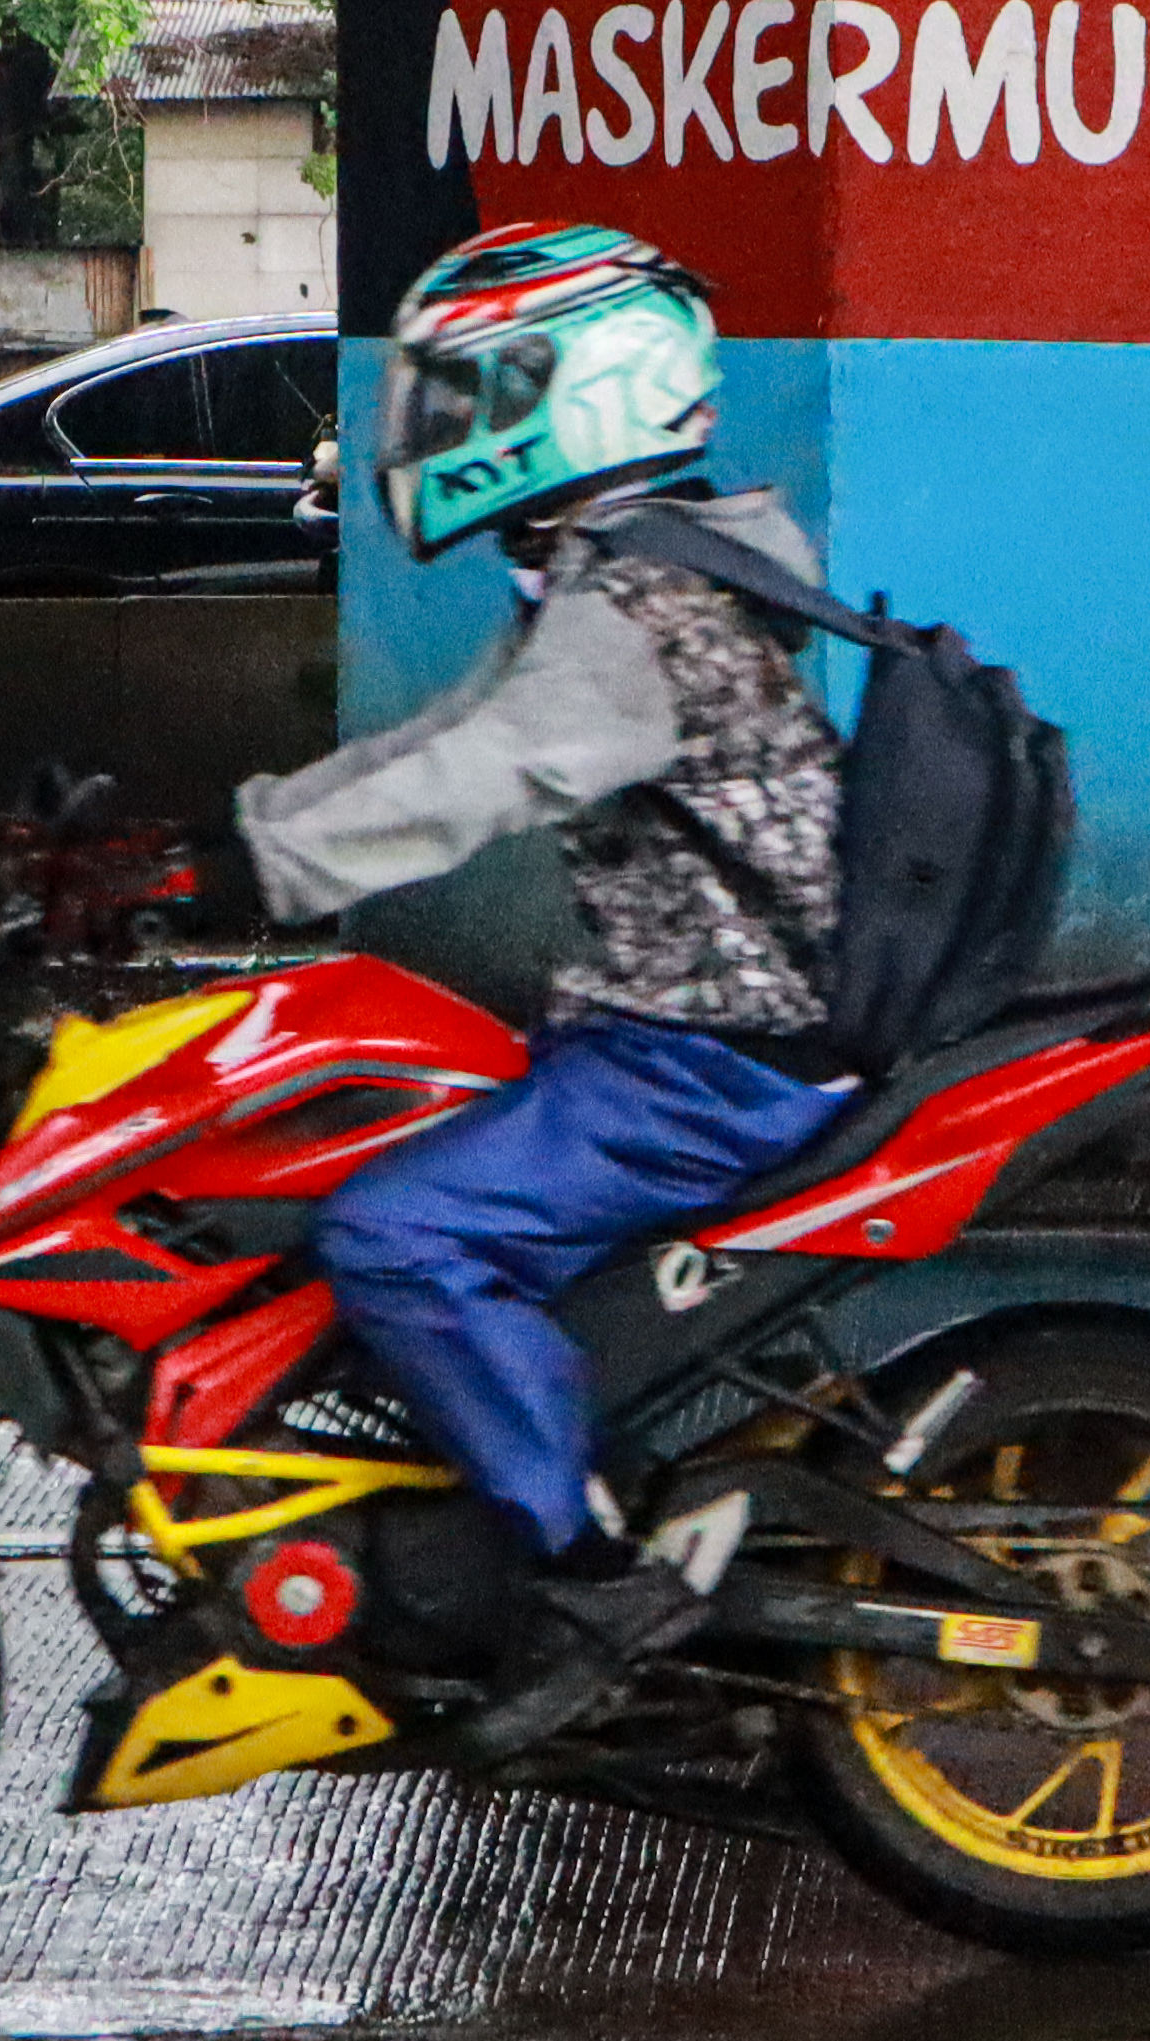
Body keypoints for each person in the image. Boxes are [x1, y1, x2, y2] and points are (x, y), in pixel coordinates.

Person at [228, 220, 849, 1764]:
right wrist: (243, 829)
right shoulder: (627, 578)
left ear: (578, 392)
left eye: (470, 396)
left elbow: (479, 775)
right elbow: (438, 737)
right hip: (686, 1023)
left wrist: (246, 861)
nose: (436, 434)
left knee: (397, 1232)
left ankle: (586, 1578)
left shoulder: (637, 615)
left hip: (708, 1052)